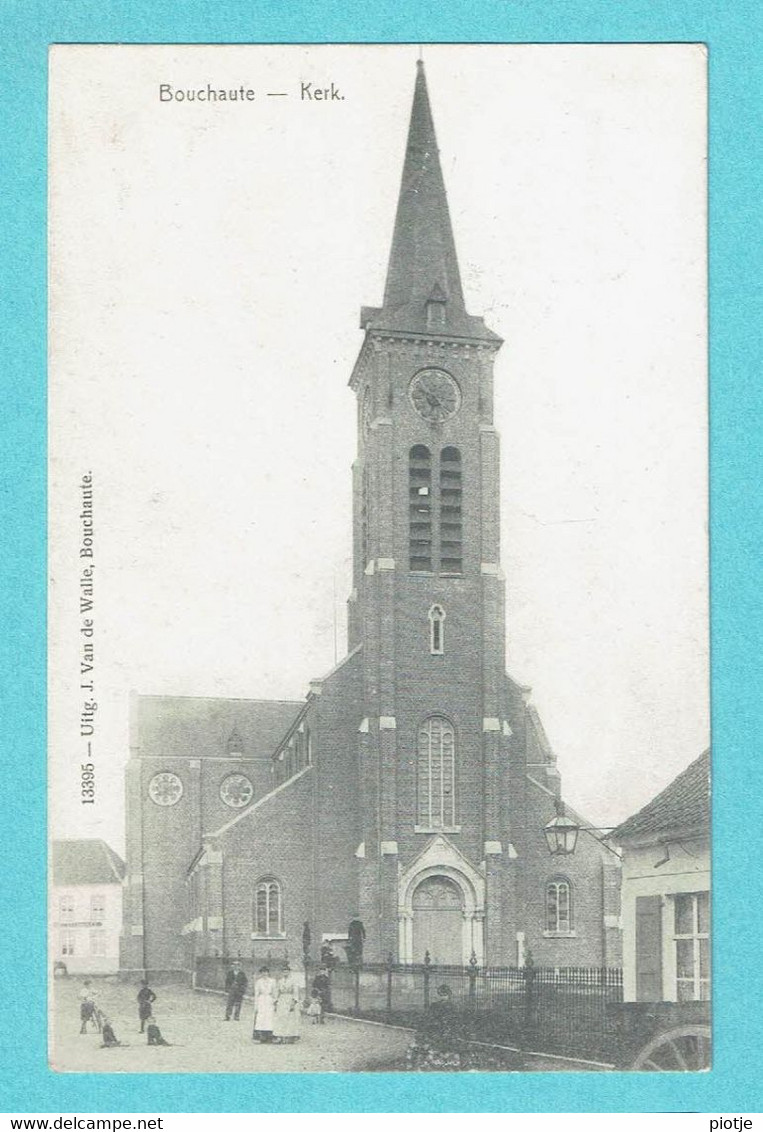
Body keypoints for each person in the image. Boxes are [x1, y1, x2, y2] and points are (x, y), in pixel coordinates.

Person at [272, 964, 300, 1043]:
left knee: (290, 1018)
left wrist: (293, 1002)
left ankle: (289, 1036)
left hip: (289, 999)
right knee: (280, 1017)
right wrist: (275, 1001)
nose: (285, 973)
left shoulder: (293, 981)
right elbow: (277, 991)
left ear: (289, 972)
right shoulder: (280, 981)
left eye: (287, 972)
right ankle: (280, 1036)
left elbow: (295, 992)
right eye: (284, 972)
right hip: (282, 1000)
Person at [252, 966, 277, 1043]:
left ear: (268, 973)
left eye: (266, 972)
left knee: (269, 1017)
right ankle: (260, 1036)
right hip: (262, 1000)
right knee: (261, 1017)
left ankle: (269, 1035)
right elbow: (256, 993)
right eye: (263, 972)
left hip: (269, 1000)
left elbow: (275, 992)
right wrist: (256, 1004)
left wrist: (275, 1001)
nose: (264, 974)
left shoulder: (272, 981)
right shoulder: (258, 982)